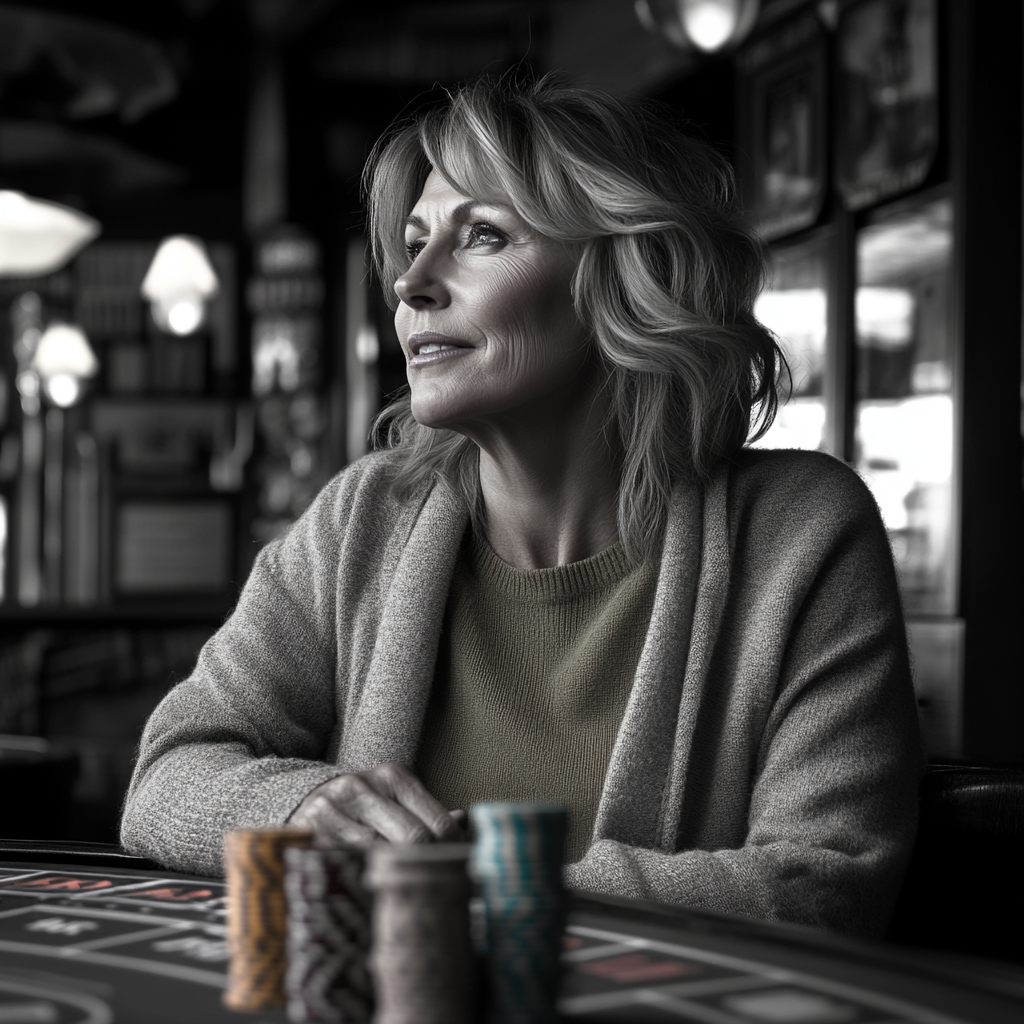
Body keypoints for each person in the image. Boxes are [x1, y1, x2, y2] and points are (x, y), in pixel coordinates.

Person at [120, 74, 922, 938]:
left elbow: (824, 881)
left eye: (483, 237)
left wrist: (488, 882)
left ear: (623, 277)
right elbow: (164, 776)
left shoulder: (803, 530)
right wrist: (306, 808)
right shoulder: (361, 519)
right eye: (414, 242)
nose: (412, 284)